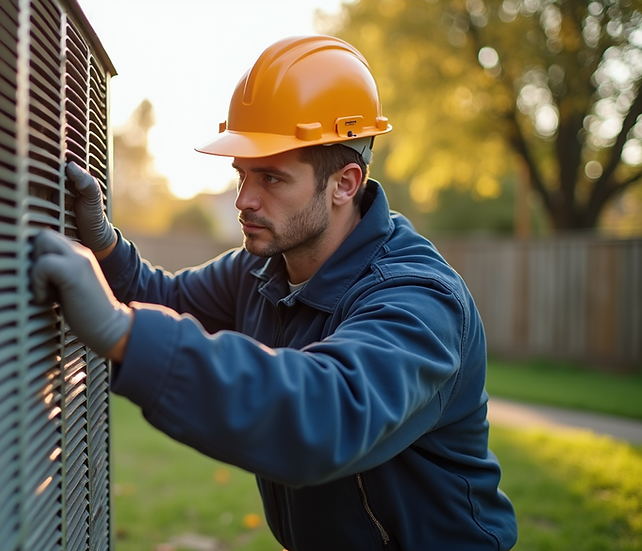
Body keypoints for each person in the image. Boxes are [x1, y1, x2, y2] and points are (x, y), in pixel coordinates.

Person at [30, 35, 518, 550]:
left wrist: (118, 332)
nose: (244, 200)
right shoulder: (262, 268)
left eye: (271, 178)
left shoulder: (418, 297)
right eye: (242, 174)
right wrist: (104, 245)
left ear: (344, 184)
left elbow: (325, 415)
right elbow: (164, 300)